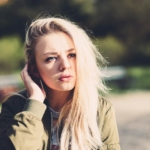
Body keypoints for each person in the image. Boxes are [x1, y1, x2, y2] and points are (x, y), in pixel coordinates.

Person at [0, 16, 120, 150]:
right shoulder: (15, 107)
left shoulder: (100, 110)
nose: (65, 65)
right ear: (33, 69)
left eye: (72, 55)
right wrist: (34, 104)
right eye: (51, 58)